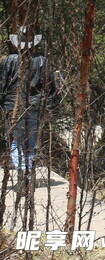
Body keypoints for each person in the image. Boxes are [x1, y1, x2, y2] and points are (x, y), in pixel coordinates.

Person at [0, 28, 58, 179]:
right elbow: (51, 86)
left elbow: (2, 84)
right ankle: (27, 170)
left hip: (12, 106)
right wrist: (50, 106)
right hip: (34, 106)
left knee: (15, 140)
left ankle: (21, 169)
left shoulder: (8, 60)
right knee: (30, 141)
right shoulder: (42, 61)